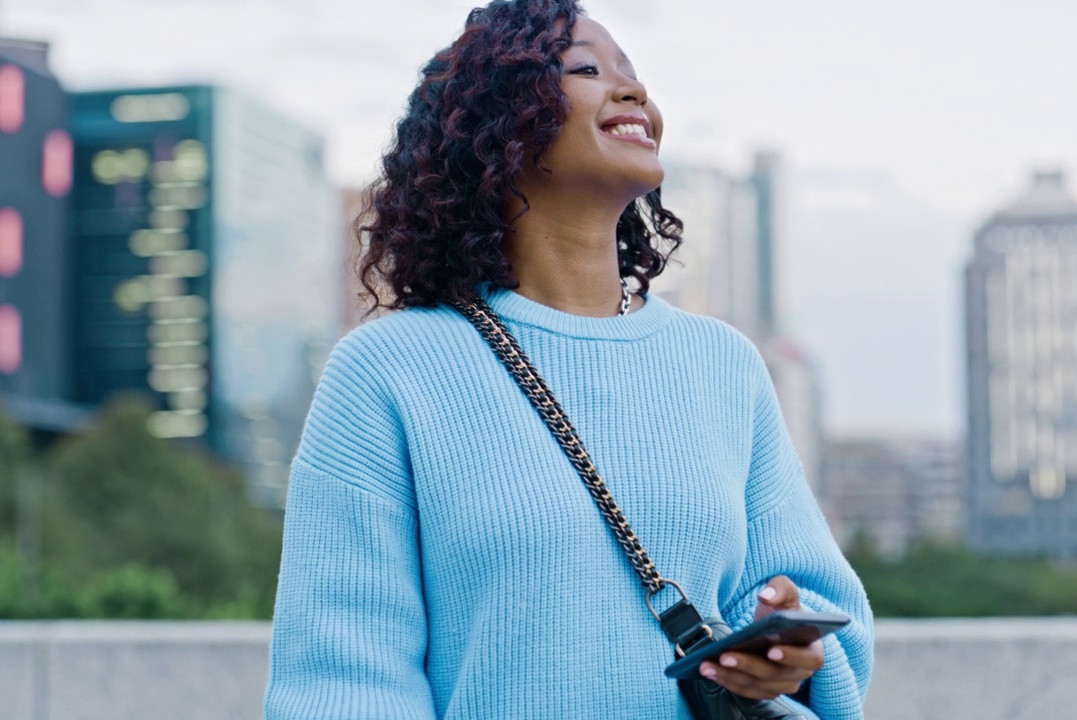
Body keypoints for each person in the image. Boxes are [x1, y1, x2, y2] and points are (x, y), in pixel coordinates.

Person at [264, 1, 873, 718]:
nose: (634, 92)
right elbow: (344, 678)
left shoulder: (722, 364)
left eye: (635, 75)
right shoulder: (389, 371)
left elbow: (808, 608)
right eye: (586, 69)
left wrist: (787, 655)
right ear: (499, 123)